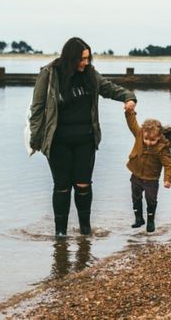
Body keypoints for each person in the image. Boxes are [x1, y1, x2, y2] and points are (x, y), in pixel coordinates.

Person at [28, 37, 137, 237]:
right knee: (61, 187)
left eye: (88, 58)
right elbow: (37, 109)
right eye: (82, 59)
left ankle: (85, 230)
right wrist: (35, 140)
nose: (86, 62)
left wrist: (129, 97)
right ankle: (60, 233)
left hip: (85, 140)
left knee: (83, 185)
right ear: (71, 57)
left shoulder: (90, 74)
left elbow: (109, 88)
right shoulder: (49, 74)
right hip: (58, 141)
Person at [124, 111, 171, 232]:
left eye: (152, 140)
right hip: (136, 175)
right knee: (135, 197)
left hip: (151, 180)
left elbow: (168, 165)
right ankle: (138, 218)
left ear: (159, 137)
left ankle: (150, 221)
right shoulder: (139, 135)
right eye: (146, 139)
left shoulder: (162, 148)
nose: (148, 142)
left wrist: (167, 180)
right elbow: (132, 125)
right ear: (143, 134)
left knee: (151, 200)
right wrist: (129, 113)